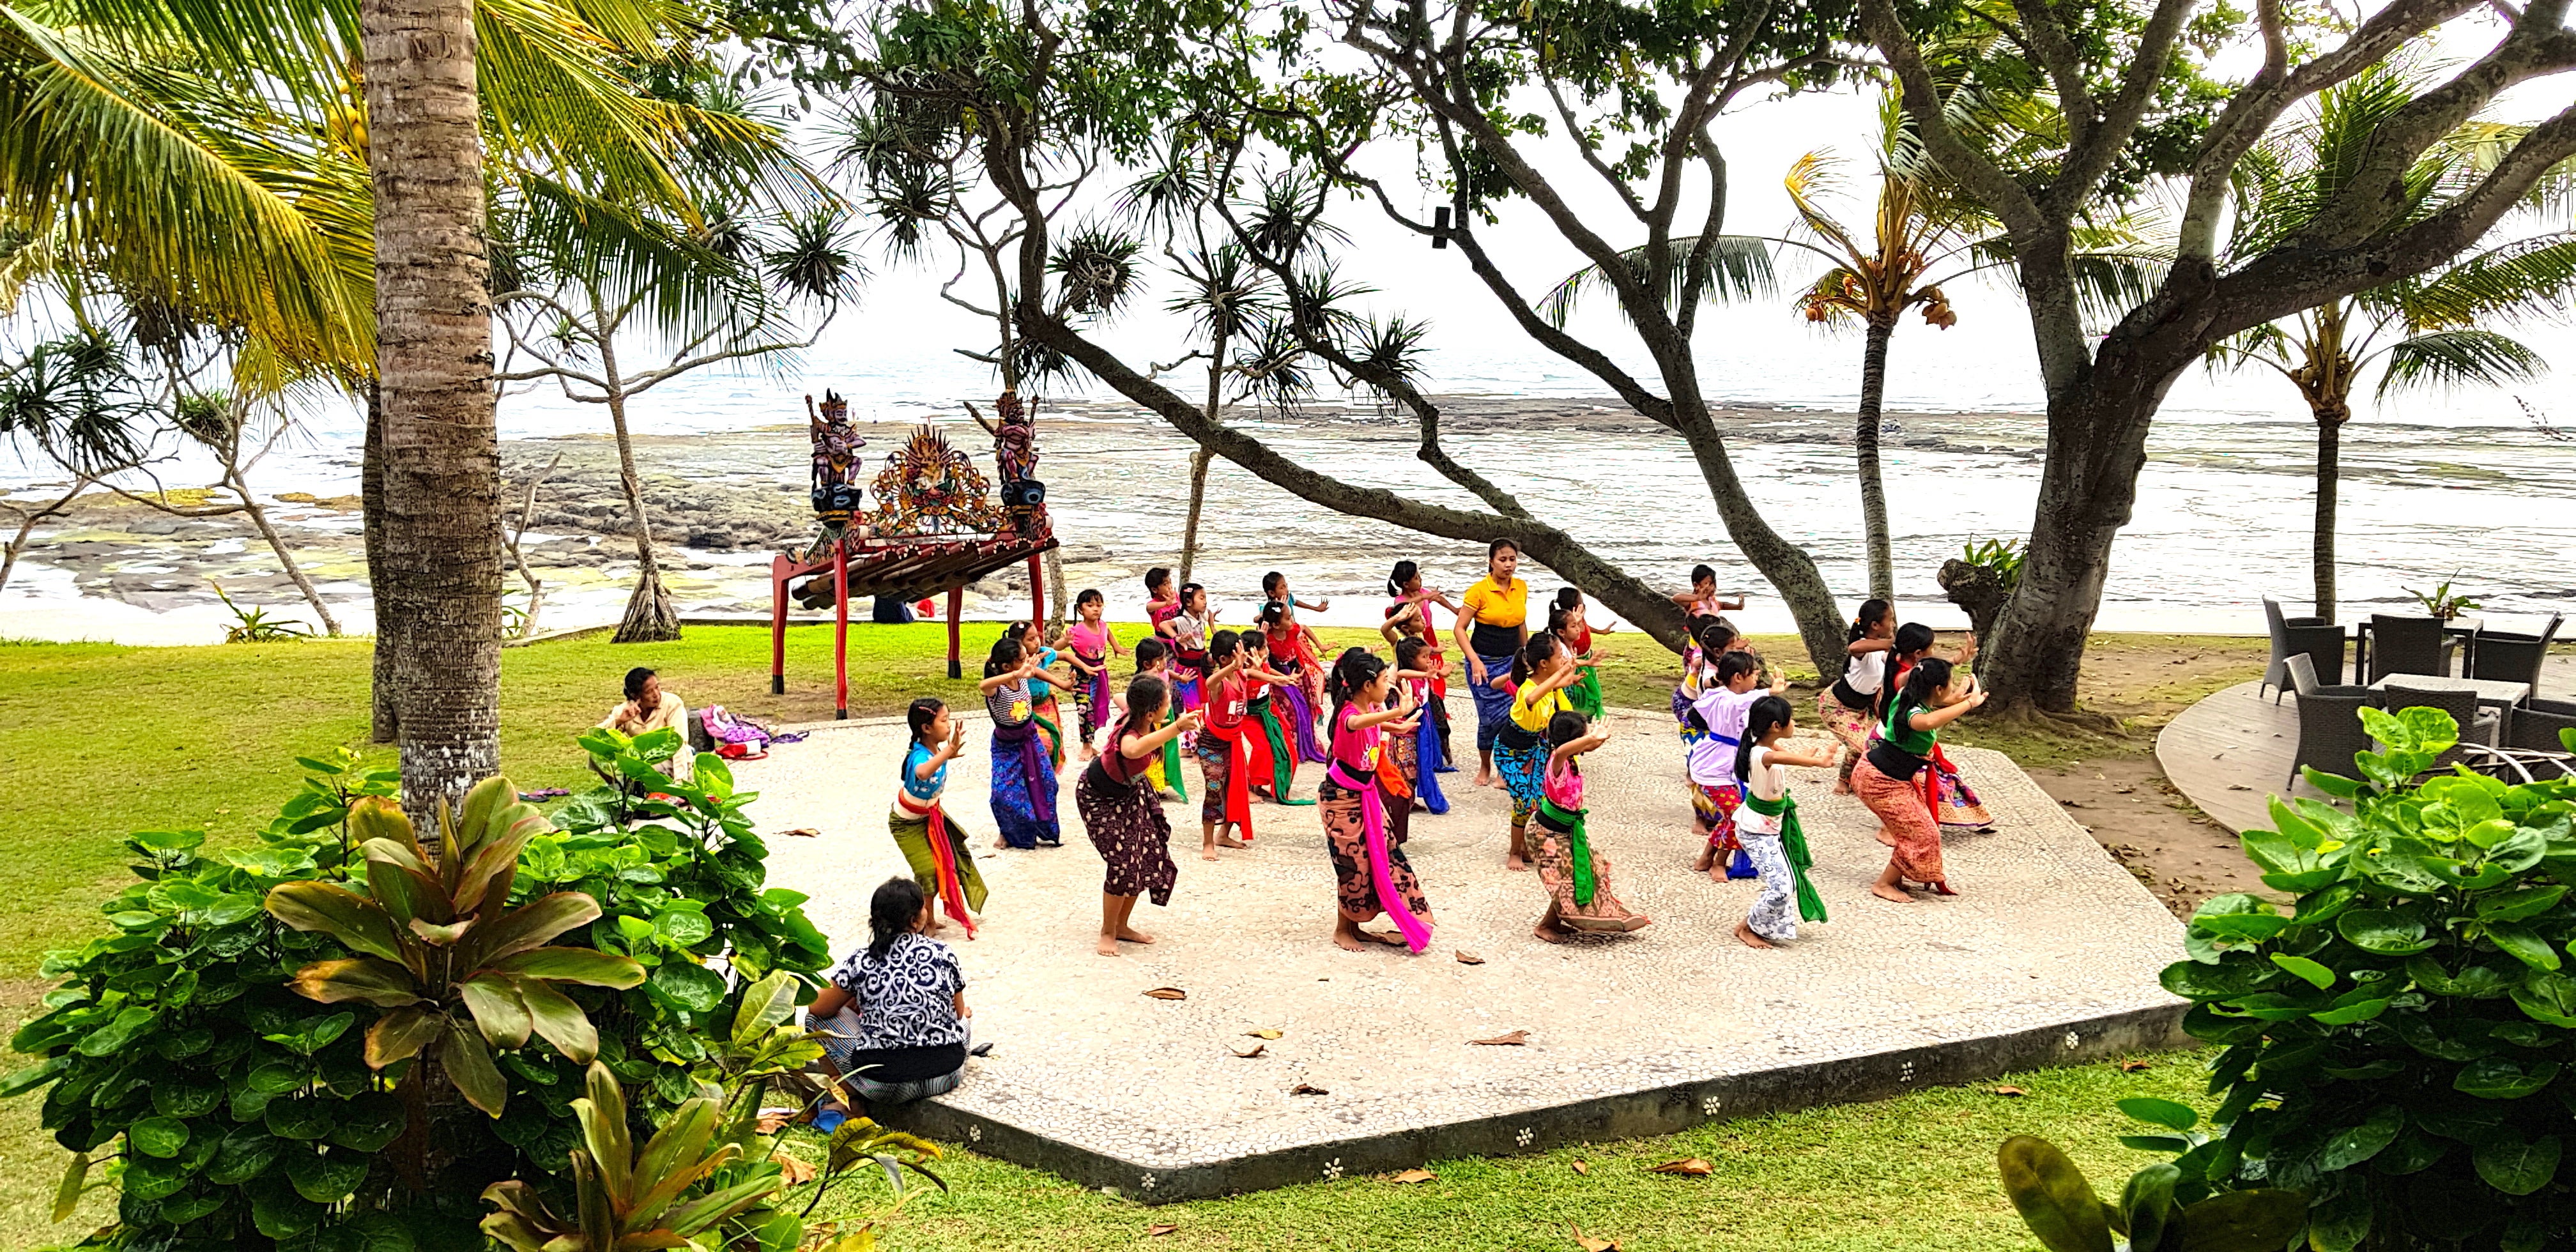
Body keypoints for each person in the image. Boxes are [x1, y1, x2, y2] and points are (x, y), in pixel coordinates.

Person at [810, 878, 974, 1111]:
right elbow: (957, 1013)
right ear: (915, 920)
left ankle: (846, 1096)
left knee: (814, 1021)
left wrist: (854, 999)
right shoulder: (943, 952)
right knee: (964, 1020)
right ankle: (849, 1092)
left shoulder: (861, 960)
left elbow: (817, 1009)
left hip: (883, 1085)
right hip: (946, 1076)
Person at [1076, 675, 1202, 957]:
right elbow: (1131, 750)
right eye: (1166, 701)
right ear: (1150, 712)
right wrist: (1177, 727)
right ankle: (1107, 932)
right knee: (1121, 863)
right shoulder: (1131, 735)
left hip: (1130, 793)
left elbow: (1121, 697)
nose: (1170, 704)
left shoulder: (1137, 716)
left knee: (1144, 855)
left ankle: (1121, 926)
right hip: (1098, 798)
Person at [1319, 648, 1434, 953]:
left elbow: (1371, 722)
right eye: (1385, 681)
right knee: (1352, 864)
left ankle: (1357, 925)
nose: (1388, 686)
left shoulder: (1367, 711)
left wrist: (1395, 726)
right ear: (1368, 685)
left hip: (1364, 794)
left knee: (1380, 856)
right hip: (1340, 799)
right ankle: (1342, 930)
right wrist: (1395, 713)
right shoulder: (1349, 715)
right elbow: (1357, 723)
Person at [1855, 656, 1985, 900]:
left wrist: (1961, 697)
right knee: (1922, 833)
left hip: (1886, 776)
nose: (1952, 687)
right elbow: (1928, 721)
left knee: (1919, 830)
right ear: (1937, 689)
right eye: (1950, 683)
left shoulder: (1908, 695)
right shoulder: (1915, 714)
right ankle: (1884, 884)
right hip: (1879, 782)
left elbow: (1940, 705)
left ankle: (1898, 876)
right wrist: (1969, 704)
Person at [1530, 709, 1650, 940]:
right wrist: (1593, 736)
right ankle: (1544, 927)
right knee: (1565, 880)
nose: (1588, 740)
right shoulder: (1558, 760)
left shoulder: (1571, 758)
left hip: (1565, 829)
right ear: (1574, 739)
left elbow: (1590, 746)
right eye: (1584, 735)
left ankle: (1554, 923)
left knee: (1582, 873)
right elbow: (1564, 749)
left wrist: (1599, 738)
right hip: (1546, 834)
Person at [1733, 696, 1834, 948]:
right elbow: (1788, 760)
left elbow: (1788, 756)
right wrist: (1818, 762)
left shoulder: (1766, 745)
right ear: (1776, 726)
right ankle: (1749, 928)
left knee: (1786, 882)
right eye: (1792, 719)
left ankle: (1750, 924)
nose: (1795, 723)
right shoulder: (1764, 754)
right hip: (1756, 831)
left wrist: (1805, 756)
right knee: (1782, 887)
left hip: (1767, 827)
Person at [1879, 623, 1996, 831]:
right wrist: (1968, 703)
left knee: (1934, 781)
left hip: (1909, 744)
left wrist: (1954, 667)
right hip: (1901, 746)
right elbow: (1928, 721)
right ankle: (1891, 828)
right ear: (1918, 654)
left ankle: (1965, 816)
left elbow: (1931, 684)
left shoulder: (1909, 678)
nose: (1934, 652)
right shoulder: (1905, 681)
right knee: (1919, 785)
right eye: (1932, 648)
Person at [889, 698, 986, 938]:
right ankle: (925, 922)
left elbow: (934, 764)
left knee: (946, 865)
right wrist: (950, 751)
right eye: (944, 720)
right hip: (906, 824)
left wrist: (949, 754)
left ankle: (929, 918)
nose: (949, 725)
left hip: (931, 817)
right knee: (927, 870)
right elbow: (922, 772)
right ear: (926, 728)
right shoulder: (919, 756)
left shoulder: (934, 751)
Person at [1689, 651, 1783, 881]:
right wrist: (1769, 692)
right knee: (1739, 817)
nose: (1757, 678)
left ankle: (1707, 857)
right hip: (1713, 769)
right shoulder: (1726, 699)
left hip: (1726, 768)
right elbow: (1739, 703)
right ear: (1738, 677)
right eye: (1754, 675)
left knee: (1732, 816)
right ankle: (1718, 863)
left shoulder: (1735, 701)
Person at [1452, 538, 1531, 789]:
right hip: (1483, 663)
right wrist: (1474, 660)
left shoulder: (1521, 587)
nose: (1508, 565)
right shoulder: (1478, 591)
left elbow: (1521, 623)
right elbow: (1460, 628)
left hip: (1512, 662)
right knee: (1489, 719)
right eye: (1503, 559)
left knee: (1514, 716)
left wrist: (1526, 656)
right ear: (1491, 561)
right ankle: (1485, 765)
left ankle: (1504, 768)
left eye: (1512, 559)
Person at [1496, 634, 1578, 872]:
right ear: (1544, 663)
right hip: (1510, 752)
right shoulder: (1528, 689)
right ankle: (1514, 852)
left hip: (1534, 748)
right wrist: (1561, 675)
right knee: (1523, 801)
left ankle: (1526, 846)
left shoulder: (1547, 684)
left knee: (1539, 799)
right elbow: (1533, 697)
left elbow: (1563, 682)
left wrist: (1571, 670)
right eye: (1559, 656)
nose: (1563, 660)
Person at [979, 635, 1061, 850]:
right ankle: (1007, 832)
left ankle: (1041, 827)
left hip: (1030, 738)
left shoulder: (1023, 673)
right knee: (1003, 794)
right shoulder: (996, 688)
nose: (1028, 662)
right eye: (1022, 659)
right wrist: (1018, 673)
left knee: (1047, 783)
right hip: (1006, 746)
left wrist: (1061, 683)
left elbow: (1036, 671)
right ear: (1007, 666)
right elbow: (983, 685)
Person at [1381, 560, 1459, 770]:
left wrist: (1439, 670)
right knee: (1408, 724)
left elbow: (1426, 663)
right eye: (1418, 619)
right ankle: (1407, 759)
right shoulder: (1398, 640)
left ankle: (1439, 753)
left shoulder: (1420, 638)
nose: (1424, 621)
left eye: (1422, 617)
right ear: (1406, 626)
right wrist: (1397, 617)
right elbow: (1385, 630)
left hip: (1423, 689)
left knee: (1438, 720)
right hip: (1404, 691)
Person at [1819, 599, 1896, 794]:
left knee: (1880, 744)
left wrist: (1954, 661)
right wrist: (1890, 643)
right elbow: (1854, 648)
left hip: (1864, 709)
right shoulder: (1863, 652)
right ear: (1875, 625)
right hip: (1836, 706)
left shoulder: (1882, 652)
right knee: (1860, 746)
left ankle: (1861, 778)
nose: (1893, 624)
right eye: (1890, 620)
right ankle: (1843, 782)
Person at [1191, 630, 1254, 859]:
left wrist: (1277, 678)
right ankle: (1208, 842)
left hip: (1233, 741)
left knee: (1235, 788)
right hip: (1211, 743)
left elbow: (1253, 672)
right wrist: (1232, 668)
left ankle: (1224, 835)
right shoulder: (1220, 683)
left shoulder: (1241, 675)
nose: (1243, 657)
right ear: (1224, 659)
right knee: (1214, 789)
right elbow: (1210, 682)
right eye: (1238, 653)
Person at [1238, 629, 1315, 807]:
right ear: (1252, 651)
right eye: (1264, 647)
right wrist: (1260, 671)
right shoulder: (1241, 672)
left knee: (1288, 749)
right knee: (1263, 749)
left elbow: (1268, 671)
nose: (1268, 650)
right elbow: (1249, 679)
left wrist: (1286, 677)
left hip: (1269, 712)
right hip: (1250, 717)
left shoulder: (1263, 663)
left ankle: (1267, 785)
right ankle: (1249, 786)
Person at [1257, 600, 1329, 765]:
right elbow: (1264, 665)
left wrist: (1320, 645)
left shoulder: (1293, 630)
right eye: (1288, 618)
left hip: (1296, 675)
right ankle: (1292, 747)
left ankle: (1306, 744)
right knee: (1291, 712)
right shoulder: (1268, 640)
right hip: (1278, 680)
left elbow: (1304, 628)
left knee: (1305, 710)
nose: (1292, 621)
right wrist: (1285, 678)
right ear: (1276, 625)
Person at [1061, 590, 1124, 761]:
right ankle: (1086, 746)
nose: (1095, 609)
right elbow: (1056, 648)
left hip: (1099, 673)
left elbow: (1108, 632)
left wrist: (1116, 647)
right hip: (1080, 674)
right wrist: (1065, 642)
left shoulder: (1102, 625)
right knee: (1084, 708)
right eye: (1090, 605)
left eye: (1099, 605)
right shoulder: (1076, 631)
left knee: (1095, 708)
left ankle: (1090, 742)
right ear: (1080, 609)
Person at [1390, 636, 1449, 816]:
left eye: (1429, 656)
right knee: (1406, 768)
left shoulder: (1423, 676)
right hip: (1406, 730)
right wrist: (1426, 675)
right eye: (1424, 657)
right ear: (1411, 660)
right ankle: (1402, 802)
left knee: (1418, 766)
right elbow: (1401, 673)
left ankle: (1409, 799)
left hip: (1422, 728)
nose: (1429, 660)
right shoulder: (1407, 678)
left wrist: (1438, 674)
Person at [1130, 637, 1187, 801]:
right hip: (1151, 720)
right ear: (1147, 664)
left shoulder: (1162, 673)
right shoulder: (1144, 680)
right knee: (1153, 752)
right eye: (1160, 659)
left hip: (1165, 714)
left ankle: (1161, 783)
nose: (1165, 662)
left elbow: (1168, 673)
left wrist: (1181, 678)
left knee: (1165, 751)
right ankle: (1150, 785)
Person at [1016, 620, 1071, 770]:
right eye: (1031, 639)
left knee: (1051, 740)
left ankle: (1048, 771)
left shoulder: (1043, 654)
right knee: (1035, 742)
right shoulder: (1013, 665)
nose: (1036, 641)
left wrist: (1086, 667)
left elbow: (1065, 656)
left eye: (1037, 637)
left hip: (1045, 705)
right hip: (1023, 709)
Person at [1547, 588, 1609, 719]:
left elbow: (1571, 661)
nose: (1579, 630)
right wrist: (1584, 665)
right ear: (1562, 632)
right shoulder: (1561, 649)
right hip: (1566, 684)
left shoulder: (1571, 629)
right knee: (1575, 703)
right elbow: (1568, 664)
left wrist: (1588, 662)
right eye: (1574, 626)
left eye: (1578, 625)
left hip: (1579, 666)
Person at [1167, 583, 1213, 713]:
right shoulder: (1182, 620)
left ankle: (1200, 723)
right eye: (1201, 598)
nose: (1205, 602)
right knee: (1193, 706)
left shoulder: (1200, 615)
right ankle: (1193, 725)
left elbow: (1209, 613)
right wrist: (1177, 638)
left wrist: (1213, 627)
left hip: (1201, 666)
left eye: (1205, 598)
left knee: (1203, 702)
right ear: (1188, 602)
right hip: (1188, 669)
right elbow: (1164, 625)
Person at [1670, 563, 1745, 619]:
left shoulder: (1712, 601)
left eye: (1714, 583)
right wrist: (1697, 598)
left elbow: (1722, 605)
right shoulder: (1693, 603)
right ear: (1696, 585)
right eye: (1708, 584)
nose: (1713, 587)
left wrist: (1737, 607)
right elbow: (1676, 598)